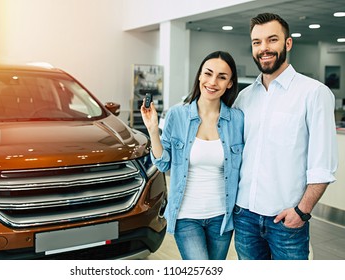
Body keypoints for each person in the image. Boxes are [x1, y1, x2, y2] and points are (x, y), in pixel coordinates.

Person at [233, 13, 338, 260]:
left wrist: (302, 212)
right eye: (257, 42)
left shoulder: (314, 93)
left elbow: (322, 165)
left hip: (286, 220)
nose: (264, 48)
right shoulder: (244, 98)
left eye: (272, 40)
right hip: (245, 217)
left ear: (287, 44)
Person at [141, 51, 244, 260]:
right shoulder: (177, 115)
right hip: (186, 216)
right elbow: (163, 165)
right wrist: (152, 130)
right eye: (208, 73)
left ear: (230, 84)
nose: (213, 82)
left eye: (222, 77)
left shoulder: (237, 120)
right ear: (199, 76)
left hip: (221, 217)